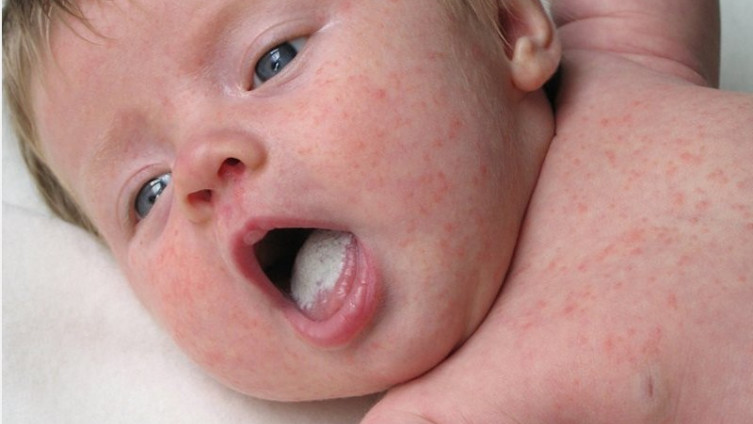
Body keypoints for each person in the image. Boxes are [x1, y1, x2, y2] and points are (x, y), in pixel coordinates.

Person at [3, 1, 751, 423]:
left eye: (273, 59)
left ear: (508, 26)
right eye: (149, 192)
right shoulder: (461, 408)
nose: (200, 163)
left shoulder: (623, 58)